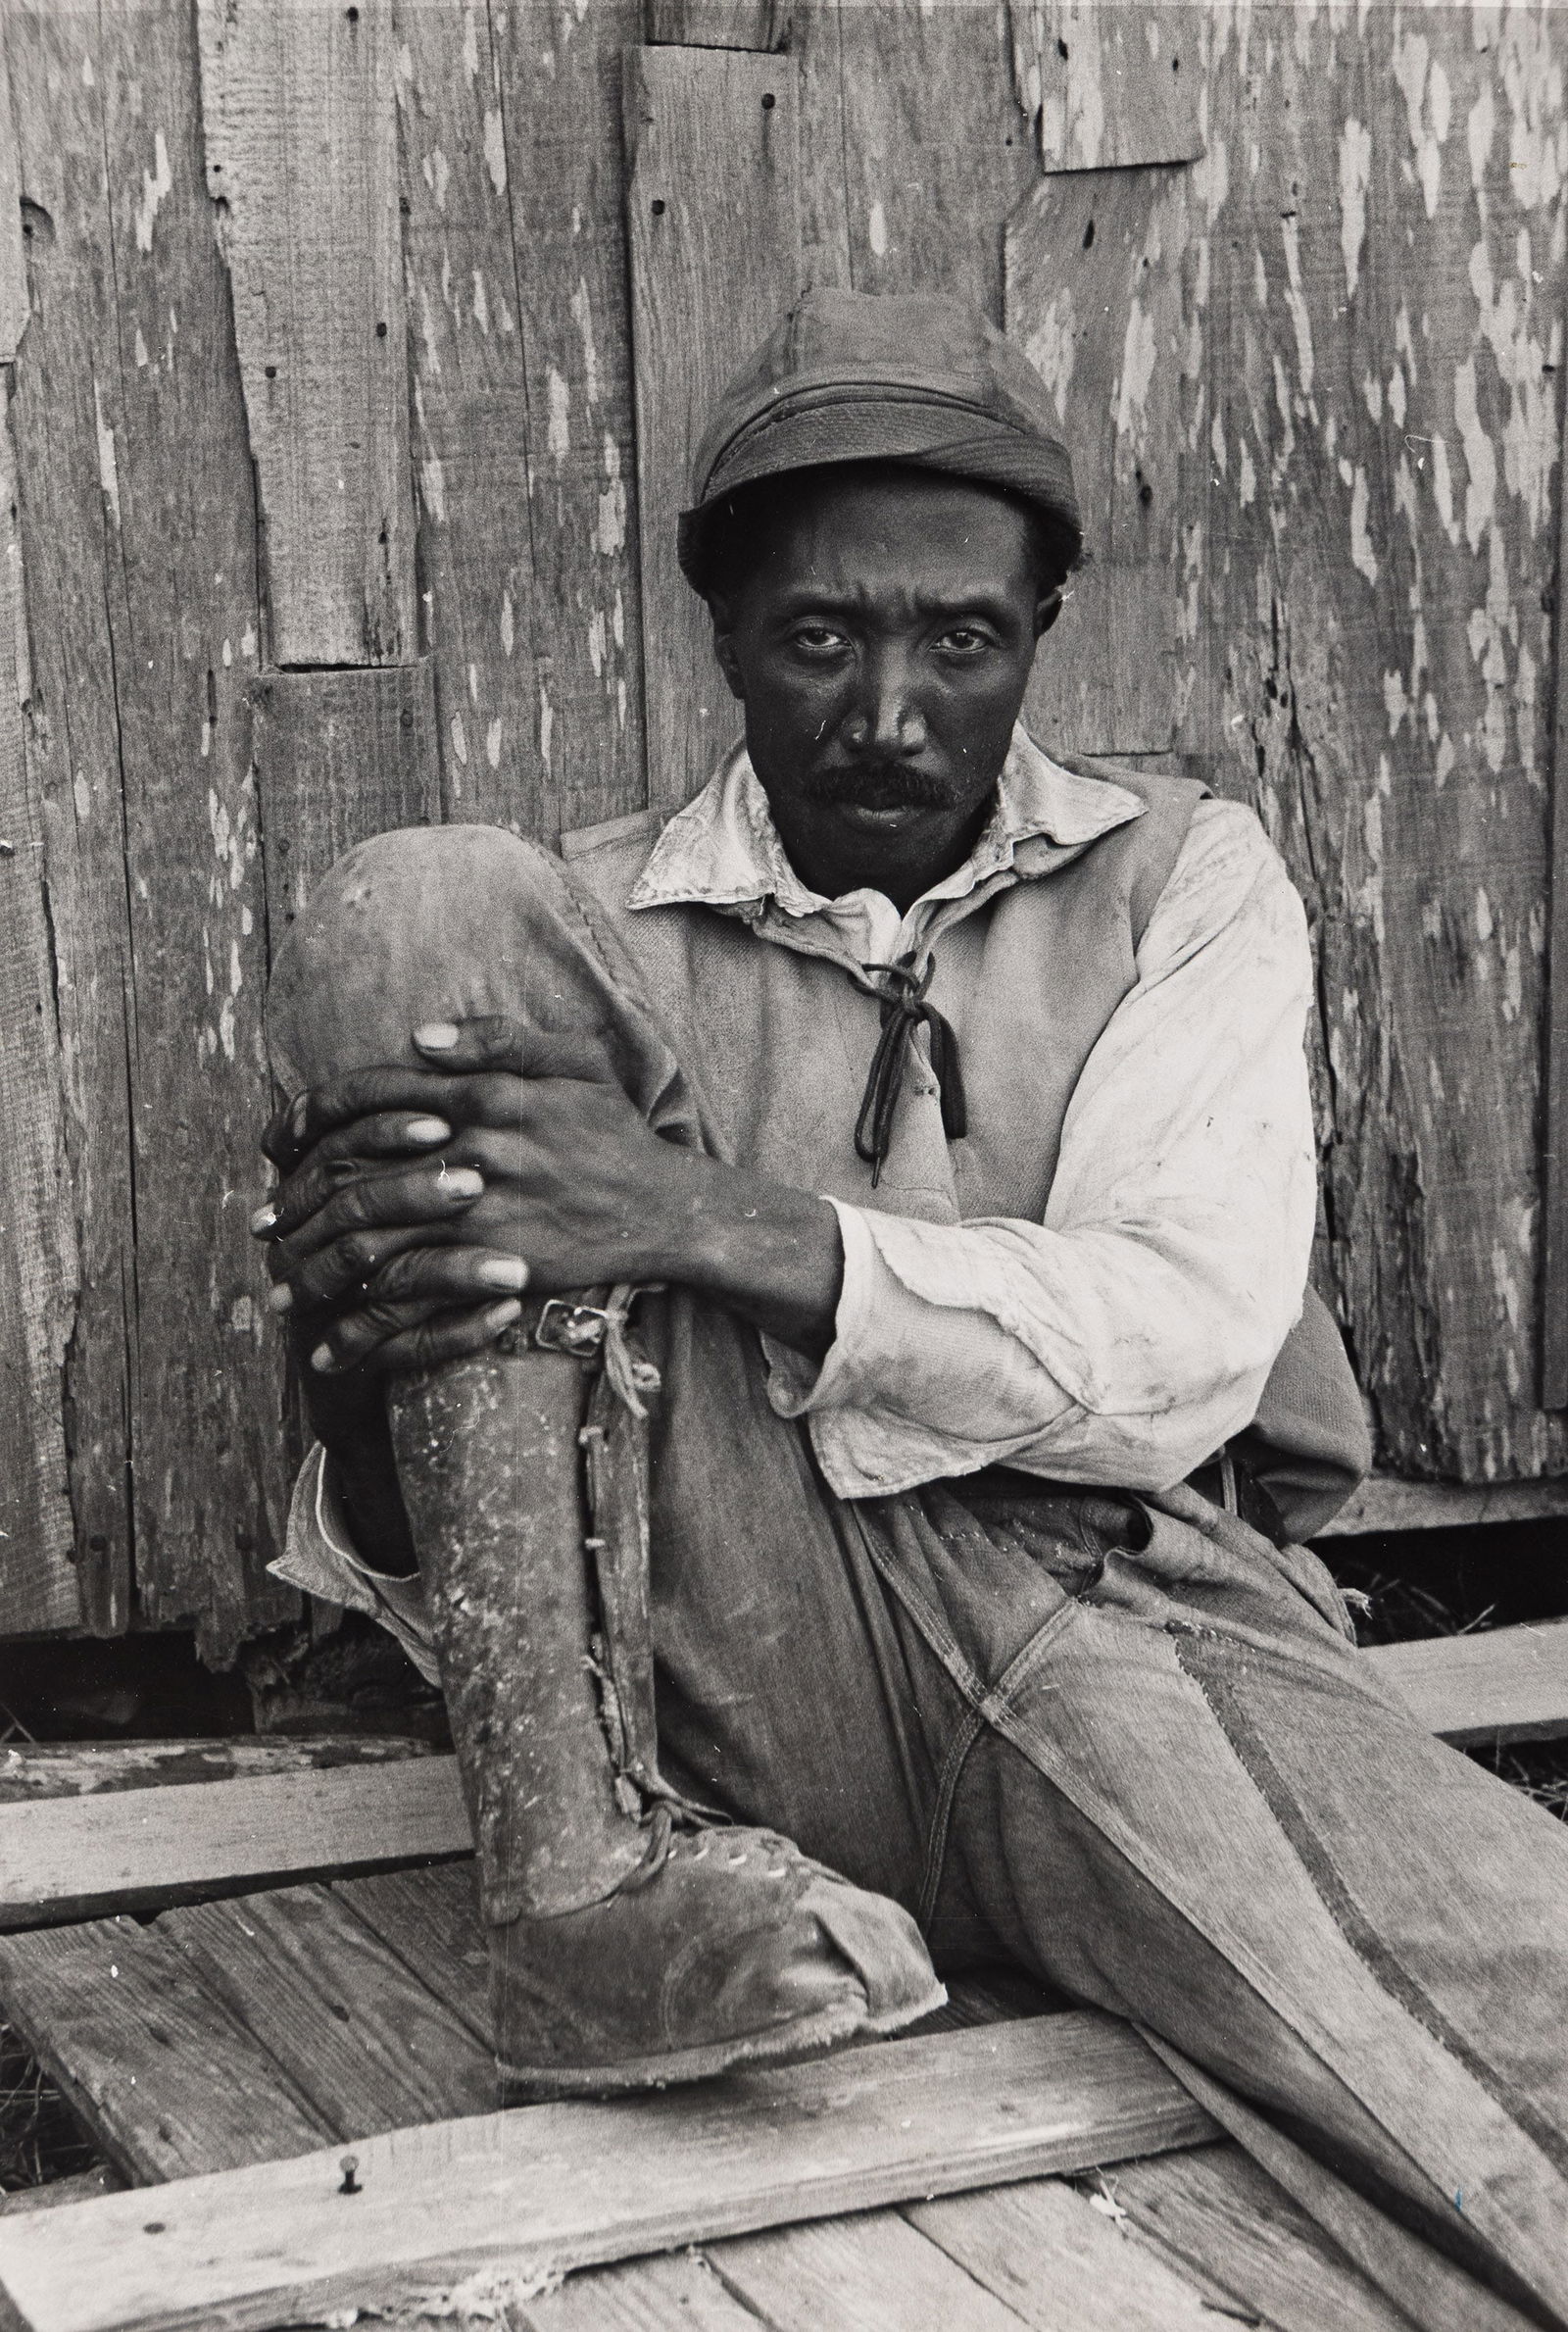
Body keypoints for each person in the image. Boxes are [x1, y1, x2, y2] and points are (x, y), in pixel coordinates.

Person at [254, 290, 1568, 2325]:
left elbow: (1181, 1337)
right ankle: (570, 1898)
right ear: (722, 636)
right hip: (725, 1660)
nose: (887, 709)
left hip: (1112, 1606)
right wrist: (369, 1343)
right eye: (818, 637)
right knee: (414, 904)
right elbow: (432, 1541)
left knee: (1512, 2031)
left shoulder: (1182, 877)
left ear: (1039, 623)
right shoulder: (578, 937)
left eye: (958, 638)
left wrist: (697, 1217)